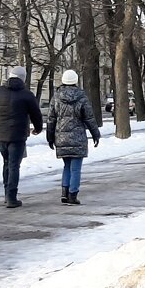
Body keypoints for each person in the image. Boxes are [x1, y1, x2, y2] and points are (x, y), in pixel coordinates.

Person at [0, 66, 43, 208]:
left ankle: (7, 194)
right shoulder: (27, 94)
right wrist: (38, 128)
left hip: (1, 134)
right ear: (23, 78)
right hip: (18, 135)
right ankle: (12, 197)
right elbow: (36, 114)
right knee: (14, 165)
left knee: (6, 163)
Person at [47, 69, 101, 205]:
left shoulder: (56, 97)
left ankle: (64, 193)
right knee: (75, 168)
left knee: (66, 166)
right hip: (77, 137)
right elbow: (89, 118)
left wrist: (49, 137)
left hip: (61, 137)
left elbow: (51, 119)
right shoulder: (82, 97)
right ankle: (73, 195)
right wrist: (96, 134)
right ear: (76, 81)